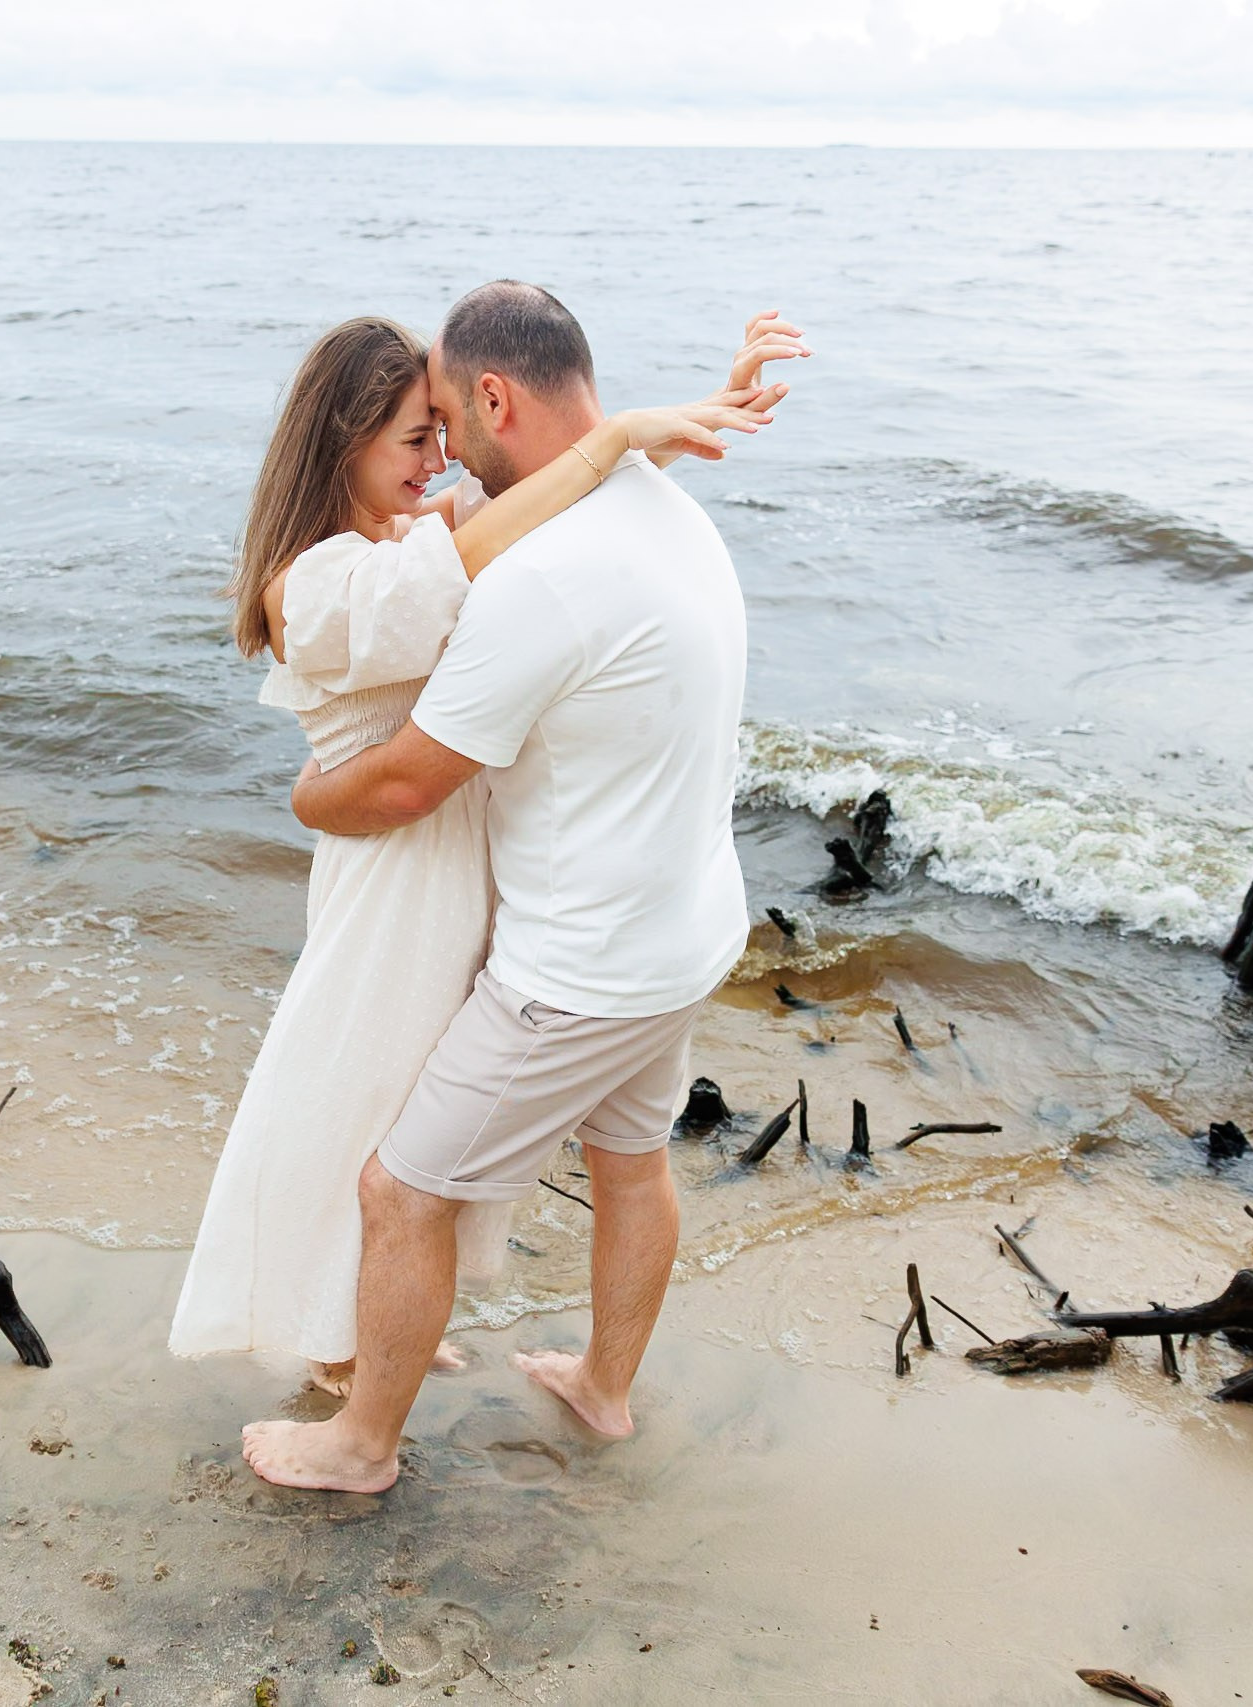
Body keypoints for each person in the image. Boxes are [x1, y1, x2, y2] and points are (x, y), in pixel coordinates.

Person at [170, 303, 801, 1400]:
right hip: (394, 876)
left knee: (406, 1119)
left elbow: (528, 482)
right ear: (341, 445)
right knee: (356, 1112)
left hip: (457, 867)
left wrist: (676, 416)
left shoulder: (416, 534)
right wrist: (613, 439)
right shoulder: (314, 581)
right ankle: (332, 1343)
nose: (440, 457)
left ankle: (374, 1330)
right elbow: (521, 499)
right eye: (416, 439)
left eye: (442, 429)